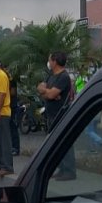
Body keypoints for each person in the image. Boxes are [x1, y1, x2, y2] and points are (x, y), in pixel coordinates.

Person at [40, 52, 75, 181]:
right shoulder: (51, 76)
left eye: (49, 60)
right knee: (55, 142)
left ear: (54, 61)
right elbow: (41, 88)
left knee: (64, 141)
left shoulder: (63, 77)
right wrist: (48, 92)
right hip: (51, 112)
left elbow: (50, 95)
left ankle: (70, 170)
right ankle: (61, 168)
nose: (48, 62)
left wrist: (49, 93)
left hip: (61, 113)